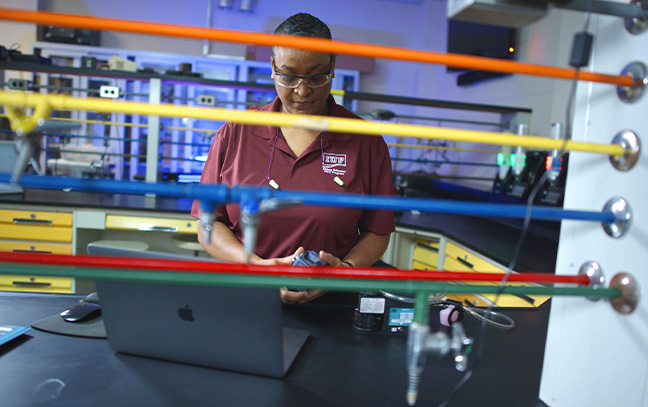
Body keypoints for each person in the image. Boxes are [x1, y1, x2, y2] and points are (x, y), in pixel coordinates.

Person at [191, 12, 395, 304]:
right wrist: (257, 267)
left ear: (333, 67)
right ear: (273, 68)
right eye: (288, 76)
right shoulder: (235, 132)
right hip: (245, 301)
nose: (302, 91)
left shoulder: (366, 142)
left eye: (316, 76)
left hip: (331, 305)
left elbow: (377, 231)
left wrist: (343, 272)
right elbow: (208, 225)